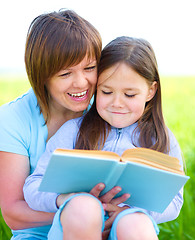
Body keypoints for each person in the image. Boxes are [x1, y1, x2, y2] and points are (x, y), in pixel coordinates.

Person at [23, 36, 185, 240]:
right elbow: (33, 186)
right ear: (96, 87)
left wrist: (130, 209)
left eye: (130, 95)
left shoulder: (162, 140)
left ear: (151, 91)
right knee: (84, 207)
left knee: (136, 223)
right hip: (75, 225)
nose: (117, 103)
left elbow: (175, 202)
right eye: (106, 91)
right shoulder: (73, 131)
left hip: (126, 225)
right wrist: (63, 198)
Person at [0, 10, 128, 240]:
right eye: (65, 73)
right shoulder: (12, 119)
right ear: (42, 76)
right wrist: (83, 214)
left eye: (89, 68)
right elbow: (13, 213)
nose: (81, 82)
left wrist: (116, 215)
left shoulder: (106, 109)